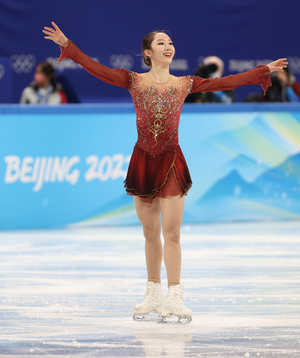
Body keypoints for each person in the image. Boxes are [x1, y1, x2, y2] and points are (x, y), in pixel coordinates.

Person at [43, 22, 287, 324]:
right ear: (148, 53)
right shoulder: (133, 81)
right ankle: (153, 292)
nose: (168, 46)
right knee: (149, 233)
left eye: (170, 42)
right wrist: (69, 46)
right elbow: (96, 68)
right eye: (161, 43)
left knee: (172, 232)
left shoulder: (183, 84)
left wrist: (263, 70)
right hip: (144, 161)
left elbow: (226, 83)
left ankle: (175, 294)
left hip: (171, 161)